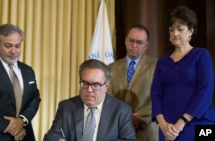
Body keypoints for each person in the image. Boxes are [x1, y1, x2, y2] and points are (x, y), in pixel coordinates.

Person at [151, 5, 215, 141]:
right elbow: (156, 94)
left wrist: (181, 124)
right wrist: (162, 125)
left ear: (191, 31)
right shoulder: (162, 62)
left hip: (199, 124)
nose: (175, 34)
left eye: (180, 29)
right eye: (171, 29)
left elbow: (205, 91)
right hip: (167, 128)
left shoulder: (201, 55)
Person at [43, 59, 137, 141]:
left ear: (106, 86)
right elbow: (50, 136)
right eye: (85, 83)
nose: (89, 90)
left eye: (96, 85)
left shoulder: (121, 110)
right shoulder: (66, 106)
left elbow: (129, 139)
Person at [107, 24, 158, 141]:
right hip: (118, 131)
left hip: (147, 132)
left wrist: (138, 118)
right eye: (131, 41)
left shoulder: (157, 66)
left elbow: (158, 98)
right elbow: (107, 97)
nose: (134, 45)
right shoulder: (111, 67)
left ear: (146, 45)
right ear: (125, 41)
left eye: (139, 42)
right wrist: (123, 117)